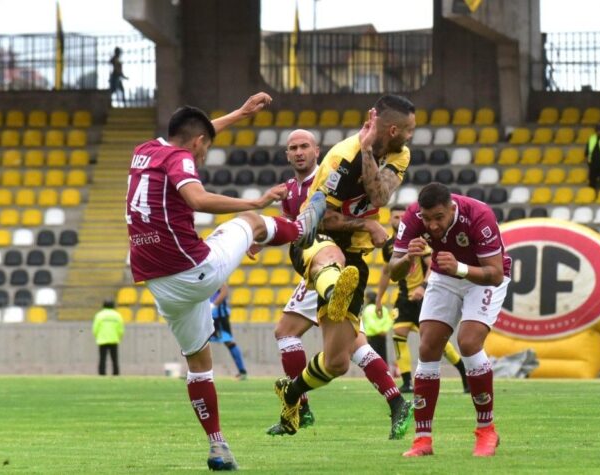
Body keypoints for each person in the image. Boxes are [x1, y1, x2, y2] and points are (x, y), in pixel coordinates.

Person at [125, 91, 326, 471]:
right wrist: (255, 204)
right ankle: (299, 228)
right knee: (248, 223)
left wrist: (240, 113)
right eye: (203, 151)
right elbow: (197, 199)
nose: (200, 158)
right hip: (194, 271)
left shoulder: (147, 150)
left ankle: (218, 446)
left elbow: (198, 133)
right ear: (197, 144)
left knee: (198, 363)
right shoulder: (182, 157)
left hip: (159, 283)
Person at [273, 95, 416, 439]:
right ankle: (336, 287)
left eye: (303, 146)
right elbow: (316, 218)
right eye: (409, 130)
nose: (411, 136)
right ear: (393, 128)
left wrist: (368, 151)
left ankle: (292, 395)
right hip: (314, 242)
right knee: (331, 262)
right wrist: (366, 225)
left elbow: (380, 197)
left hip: (355, 258)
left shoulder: (399, 153)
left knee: (337, 361)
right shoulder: (340, 157)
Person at [388, 182, 512, 458]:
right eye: (427, 218)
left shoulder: (479, 215)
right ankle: (422, 440)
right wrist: (409, 255)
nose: (432, 225)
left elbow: (495, 273)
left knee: (468, 342)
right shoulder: (412, 218)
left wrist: (460, 267)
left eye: (439, 218)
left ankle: (486, 430)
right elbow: (393, 271)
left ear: (452, 209)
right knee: (427, 346)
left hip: (481, 277)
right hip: (446, 276)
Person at [376, 205, 470, 394]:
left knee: (438, 343)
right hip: (403, 298)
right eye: (396, 217)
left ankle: (464, 374)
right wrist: (379, 299)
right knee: (398, 334)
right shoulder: (389, 247)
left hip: (422, 298)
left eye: (403, 216)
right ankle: (407, 382)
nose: (400, 220)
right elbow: (387, 272)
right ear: (390, 220)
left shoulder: (418, 241)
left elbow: (431, 265)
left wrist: (423, 287)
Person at [209, 283, 247, 380]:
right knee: (198, 342)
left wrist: (213, 305)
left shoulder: (215, 273)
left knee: (228, 341)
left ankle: (242, 372)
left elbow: (224, 290)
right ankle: (197, 371)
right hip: (207, 316)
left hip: (219, 317)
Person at [92, 299, 125, 376]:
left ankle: (102, 373)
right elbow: (120, 329)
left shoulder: (99, 315)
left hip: (102, 339)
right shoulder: (117, 315)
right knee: (114, 359)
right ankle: (116, 373)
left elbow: (95, 328)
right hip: (114, 339)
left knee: (102, 358)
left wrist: (97, 336)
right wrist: (119, 336)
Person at [360, 291, 393, 362]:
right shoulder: (383, 308)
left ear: (368, 299)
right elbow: (388, 321)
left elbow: (370, 322)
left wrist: (378, 331)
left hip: (372, 337)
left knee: (372, 359)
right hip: (383, 336)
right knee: (383, 358)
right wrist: (384, 330)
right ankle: (384, 372)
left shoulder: (368, 309)